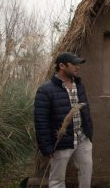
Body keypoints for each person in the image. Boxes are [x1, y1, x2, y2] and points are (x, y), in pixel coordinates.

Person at [34, 52, 93, 188]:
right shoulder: (45, 90)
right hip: (61, 142)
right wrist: (47, 147)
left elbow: (85, 111)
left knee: (86, 174)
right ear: (62, 66)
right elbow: (40, 121)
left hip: (83, 139)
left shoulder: (79, 86)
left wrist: (89, 134)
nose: (78, 67)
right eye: (74, 64)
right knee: (57, 180)